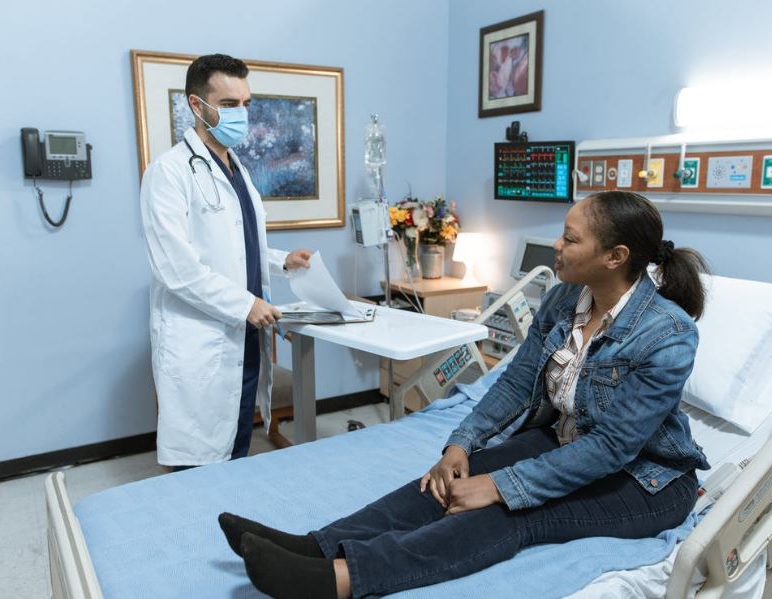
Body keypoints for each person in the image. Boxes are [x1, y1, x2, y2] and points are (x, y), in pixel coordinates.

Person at [218, 190, 712, 598]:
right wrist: (461, 443)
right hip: (565, 441)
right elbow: (518, 381)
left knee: (511, 511)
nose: (555, 246)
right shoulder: (567, 299)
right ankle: (318, 545)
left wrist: (501, 487)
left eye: (569, 238)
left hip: (646, 480)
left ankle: (339, 580)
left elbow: (612, 447)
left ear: (615, 256)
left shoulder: (667, 333)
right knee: (447, 480)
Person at [140, 54, 312, 470]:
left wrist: (281, 260)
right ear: (197, 106)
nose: (242, 114)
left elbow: (238, 246)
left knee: (236, 447)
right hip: (205, 337)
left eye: (246, 104)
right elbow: (176, 269)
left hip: (243, 334)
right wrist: (246, 305)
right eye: (230, 104)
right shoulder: (168, 173)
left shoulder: (239, 170)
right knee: (197, 463)